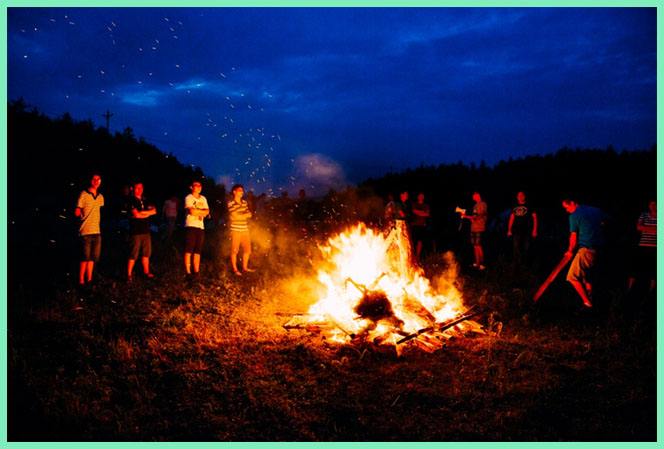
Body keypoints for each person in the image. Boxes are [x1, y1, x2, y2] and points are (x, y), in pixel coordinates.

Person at [562, 198, 607, 308]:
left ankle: (587, 303)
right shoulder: (595, 210)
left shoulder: (574, 216)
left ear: (573, 202)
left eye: (567, 207)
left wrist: (570, 251)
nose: (567, 211)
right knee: (587, 276)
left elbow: (573, 236)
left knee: (572, 277)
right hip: (598, 249)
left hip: (586, 249)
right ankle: (591, 299)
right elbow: (605, 222)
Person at [75, 173, 104, 286]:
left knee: (93, 257)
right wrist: (79, 212)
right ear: (90, 180)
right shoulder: (83, 194)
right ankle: (81, 280)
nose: (96, 181)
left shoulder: (100, 197)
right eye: (94, 179)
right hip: (85, 231)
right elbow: (77, 210)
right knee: (85, 257)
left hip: (96, 231)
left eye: (98, 179)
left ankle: (89, 278)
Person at [127, 182, 157, 281]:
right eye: (137, 188)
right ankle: (129, 274)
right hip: (135, 231)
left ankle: (146, 272)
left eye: (141, 188)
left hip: (146, 231)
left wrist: (143, 213)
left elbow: (154, 211)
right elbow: (136, 215)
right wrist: (147, 213)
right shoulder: (131, 200)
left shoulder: (145, 200)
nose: (139, 190)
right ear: (133, 189)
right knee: (133, 253)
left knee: (146, 253)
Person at [627, 199, 656, 293]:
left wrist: (646, 228)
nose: (653, 206)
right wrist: (655, 229)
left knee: (653, 269)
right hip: (643, 244)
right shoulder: (644, 215)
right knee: (636, 267)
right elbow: (638, 227)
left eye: (655, 204)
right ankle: (630, 289)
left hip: (656, 246)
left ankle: (651, 291)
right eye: (651, 204)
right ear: (649, 206)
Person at [183, 180, 210, 277]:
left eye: (200, 185)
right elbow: (191, 212)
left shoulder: (203, 198)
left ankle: (196, 271)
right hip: (191, 225)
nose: (199, 187)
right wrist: (201, 212)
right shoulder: (188, 198)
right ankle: (188, 271)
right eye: (196, 185)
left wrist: (198, 211)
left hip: (200, 226)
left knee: (198, 250)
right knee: (189, 249)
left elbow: (207, 211)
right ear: (191, 187)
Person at [507, 191, 538, 273]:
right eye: (519, 195)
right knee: (516, 247)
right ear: (517, 197)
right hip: (516, 230)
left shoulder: (529, 205)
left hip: (527, 230)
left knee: (526, 248)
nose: (520, 197)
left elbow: (535, 218)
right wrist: (509, 230)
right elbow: (512, 218)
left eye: (522, 195)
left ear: (524, 196)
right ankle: (516, 264)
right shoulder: (514, 206)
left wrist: (535, 230)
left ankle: (525, 265)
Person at [228, 184, 255, 275]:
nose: (242, 192)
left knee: (247, 250)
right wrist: (243, 215)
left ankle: (244, 268)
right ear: (234, 192)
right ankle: (235, 269)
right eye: (239, 190)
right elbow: (234, 216)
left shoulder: (244, 202)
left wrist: (240, 215)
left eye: (242, 190)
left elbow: (249, 214)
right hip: (235, 230)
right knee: (234, 250)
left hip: (245, 229)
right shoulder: (231, 203)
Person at [461, 191, 488, 270]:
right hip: (473, 227)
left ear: (478, 196)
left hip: (480, 227)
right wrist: (469, 218)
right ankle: (477, 263)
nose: (473, 198)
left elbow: (478, 216)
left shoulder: (483, 204)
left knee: (478, 245)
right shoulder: (475, 205)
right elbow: (474, 218)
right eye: (473, 196)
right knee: (475, 246)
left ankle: (482, 264)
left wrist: (465, 216)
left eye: (474, 196)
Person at [411, 192, 431, 260]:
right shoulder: (414, 204)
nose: (421, 197)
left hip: (422, 225)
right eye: (420, 196)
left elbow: (427, 214)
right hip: (414, 224)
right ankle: (412, 255)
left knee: (420, 241)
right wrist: (422, 212)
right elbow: (414, 211)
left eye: (422, 196)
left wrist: (419, 212)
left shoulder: (426, 205)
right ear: (418, 197)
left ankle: (417, 256)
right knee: (413, 240)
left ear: (424, 197)